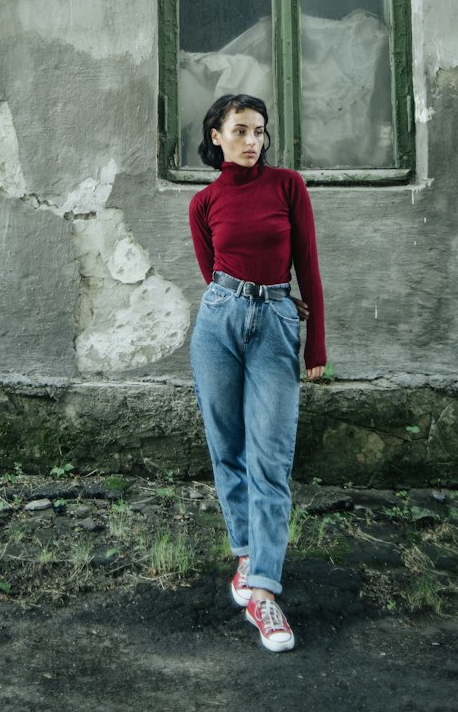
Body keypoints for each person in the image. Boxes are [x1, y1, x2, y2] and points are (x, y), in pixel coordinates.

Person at [188, 92, 326, 653]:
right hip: (218, 320)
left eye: (260, 132)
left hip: (275, 320)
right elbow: (210, 270)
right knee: (227, 448)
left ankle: (265, 592)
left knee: (271, 457)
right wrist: (232, 307)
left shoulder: (287, 186)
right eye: (241, 131)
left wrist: (313, 346)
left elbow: (308, 265)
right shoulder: (202, 203)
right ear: (217, 136)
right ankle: (246, 555)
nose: (253, 142)